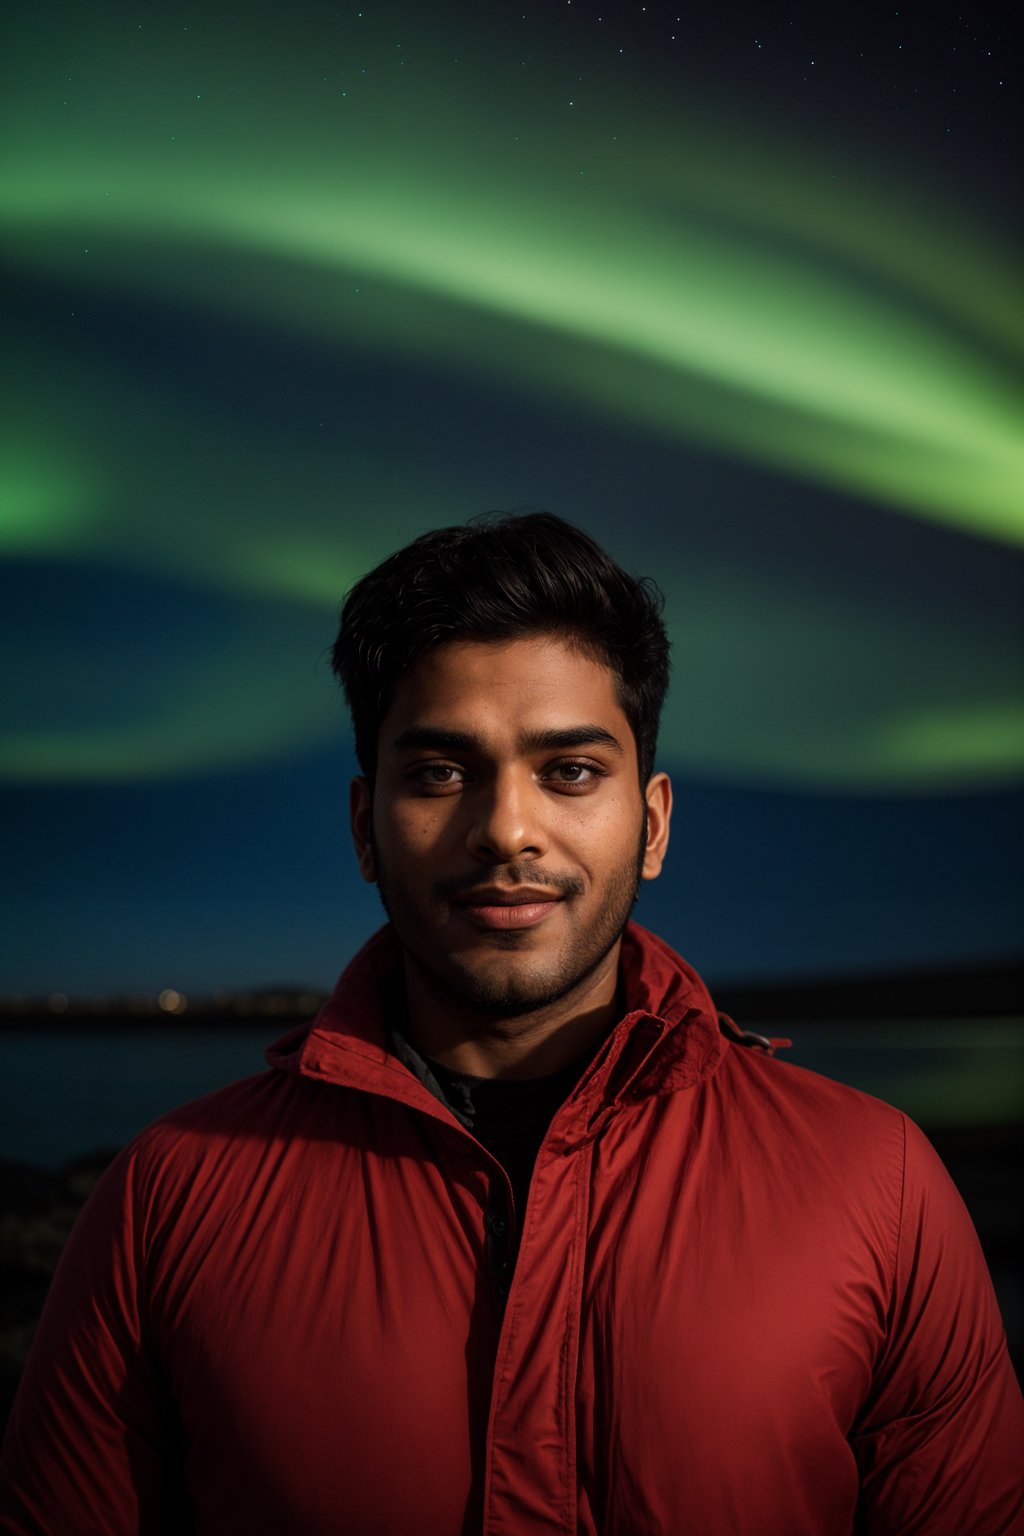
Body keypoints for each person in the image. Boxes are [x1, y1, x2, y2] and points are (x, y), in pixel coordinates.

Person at [2, 512, 1021, 1536]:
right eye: (441, 773)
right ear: (365, 827)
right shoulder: (167, 1201)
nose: (505, 829)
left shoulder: (874, 1183)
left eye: (570, 771)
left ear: (653, 824)